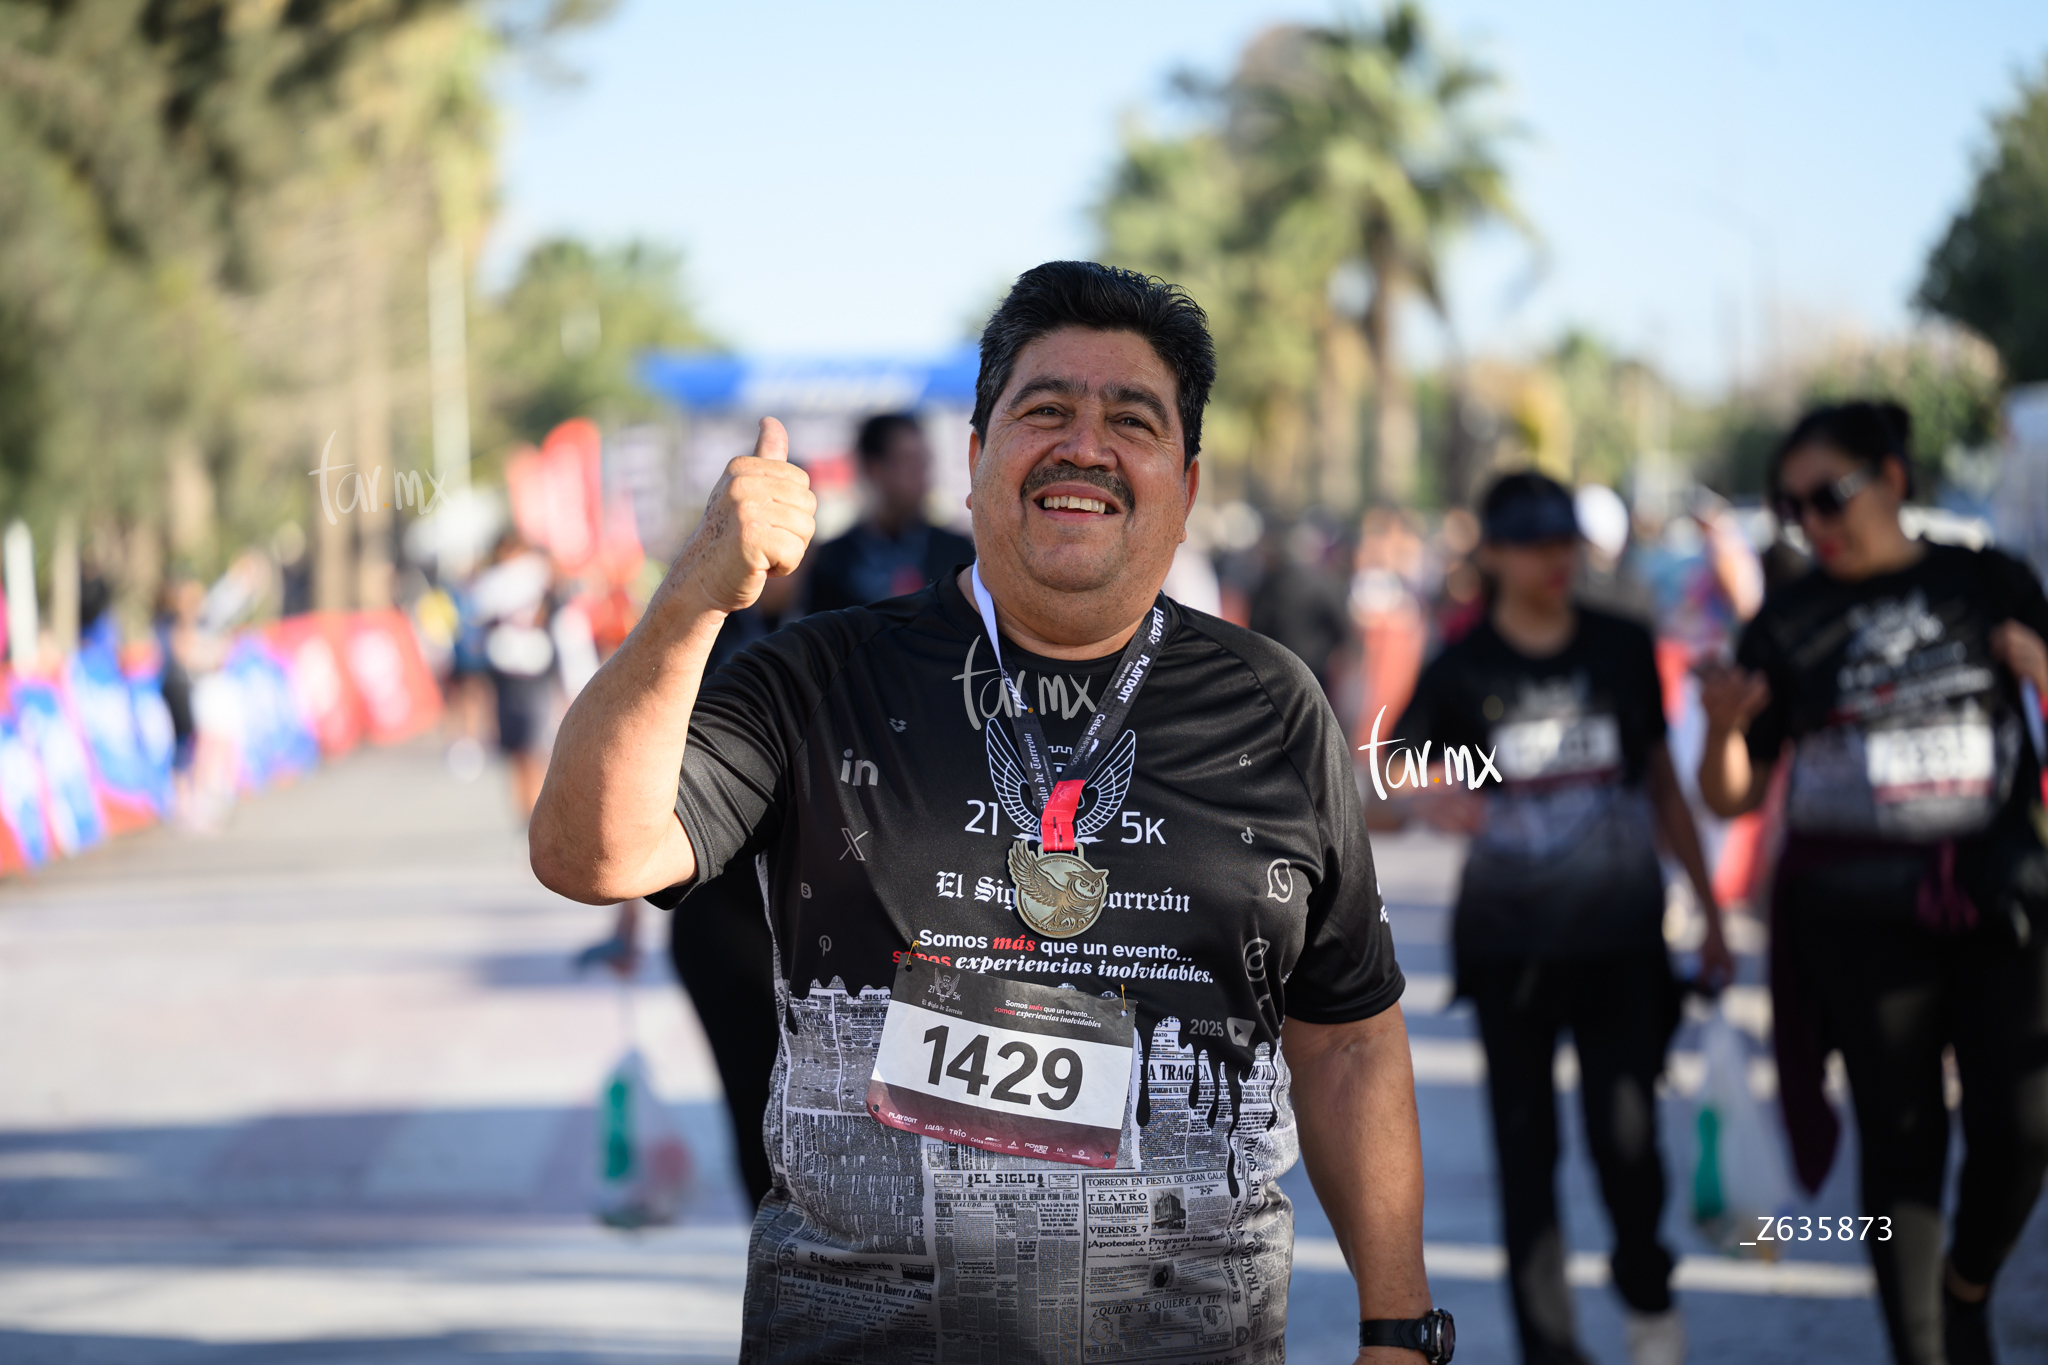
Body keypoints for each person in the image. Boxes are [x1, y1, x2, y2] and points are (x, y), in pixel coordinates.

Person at [532, 261, 1447, 1364]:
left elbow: (1345, 1038)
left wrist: (1398, 1330)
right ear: (974, 461)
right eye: (1044, 410)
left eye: (1132, 419)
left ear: (1185, 485)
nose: (1084, 446)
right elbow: (587, 851)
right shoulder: (822, 674)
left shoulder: (1271, 706)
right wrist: (692, 594)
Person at [1698, 401, 2048, 1365]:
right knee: (1902, 1144)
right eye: (1792, 507)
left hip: (1995, 899)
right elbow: (1731, 797)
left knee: (2024, 1123)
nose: (1812, 522)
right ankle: (1928, 1346)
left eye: (1828, 496)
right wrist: (1727, 728)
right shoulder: (1793, 619)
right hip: (1858, 918)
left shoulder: (1986, 581)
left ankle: (1967, 1283)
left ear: (1893, 477)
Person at [1374, 471, 1732, 1365]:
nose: (1554, 559)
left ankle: (1647, 1288)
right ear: (1491, 553)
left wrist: (1713, 908)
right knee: (1525, 1159)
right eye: (1533, 541)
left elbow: (1660, 780)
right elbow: (1380, 783)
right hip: (1510, 949)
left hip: (1622, 939)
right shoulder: (1462, 668)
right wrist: (1425, 800)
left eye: (1565, 539)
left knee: (1628, 1142)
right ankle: (1549, 1348)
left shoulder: (1619, 644)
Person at [803, 411, 974, 614]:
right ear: (873, 468)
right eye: (907, 461)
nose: (920, 474)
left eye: (924, 462)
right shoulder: (831, 562)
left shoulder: (957, 554)